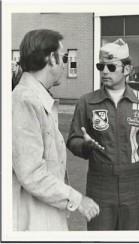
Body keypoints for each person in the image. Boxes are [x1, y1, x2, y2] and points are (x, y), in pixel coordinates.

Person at [67, 38, 139, 230]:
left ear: (127, 70)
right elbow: (73, 139)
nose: (104, 71)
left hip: (133, 185)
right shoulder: (87, 102)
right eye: (100, 66)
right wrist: (84, 146)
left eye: (111, 67)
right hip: (100, 184)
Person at [12, 29, 100, 231]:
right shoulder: (24, 101)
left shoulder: (36, 98)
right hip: (33, 221)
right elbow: (32, 173)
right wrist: (77, 200)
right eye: (64, 57)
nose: (65, 64)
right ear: (51, 58)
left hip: (47, 214)